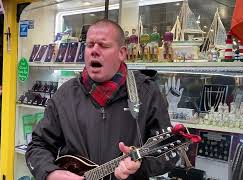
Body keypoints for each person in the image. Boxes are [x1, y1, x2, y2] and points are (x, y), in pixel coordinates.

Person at [26, 19, 177, 180]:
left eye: (103, 46)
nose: (94, 51)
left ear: (122, 53)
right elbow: (38, 145)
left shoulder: (146, 93)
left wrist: (140, 165)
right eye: (90, 45)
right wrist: (50, 173)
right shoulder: (65, 95)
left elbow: (169, 151)